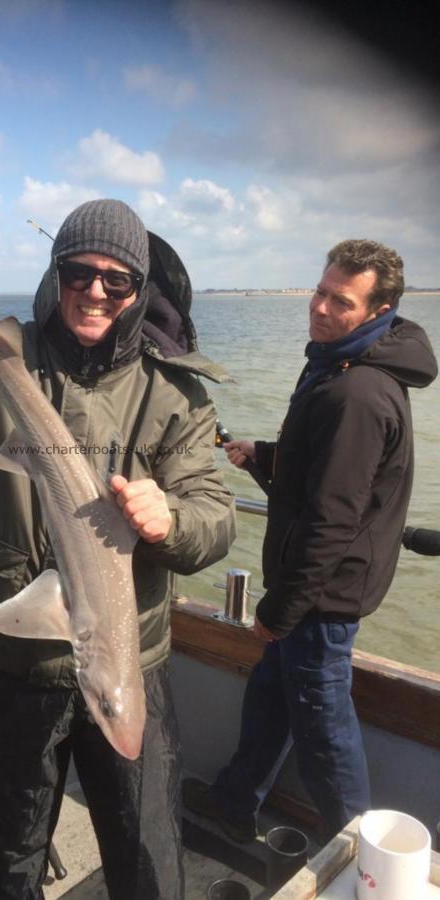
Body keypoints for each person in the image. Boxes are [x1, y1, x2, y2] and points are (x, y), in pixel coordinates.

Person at [0, 199, 236, 899]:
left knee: (150, 862)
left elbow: (215, 516)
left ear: (139, 288)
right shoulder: (2, 357)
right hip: (16, 670)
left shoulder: (175, 393)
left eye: (116, 280)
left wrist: (171, 519)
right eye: (78, 272)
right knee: (5, 867)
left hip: (133, 664)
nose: (95, 290)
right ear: (57, 272)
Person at [183, 239, 437, 843]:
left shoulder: (358, 393)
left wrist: (280, 608)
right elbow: (326, 470)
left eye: (340, 302)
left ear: (378, 312)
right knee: (270, 702)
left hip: (321, 597)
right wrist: (263, 456)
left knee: (325, 731)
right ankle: (235, 802)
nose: (320, 309)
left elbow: (332, 519)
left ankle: (359, 857)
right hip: (313, 590)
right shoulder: (336, 364)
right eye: (320, 292)